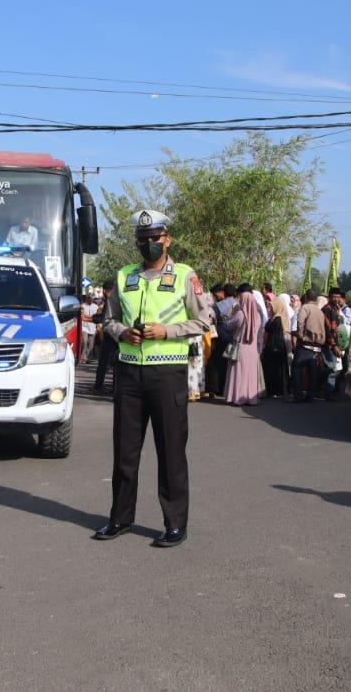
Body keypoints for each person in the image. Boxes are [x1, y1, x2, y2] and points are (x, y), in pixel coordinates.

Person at [95, 210, 212, 548]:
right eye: (143, 239)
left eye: (155, 238)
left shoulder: (185, 275)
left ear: (167, 240)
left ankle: (175, 524)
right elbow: (108, 320)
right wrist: (122, 332)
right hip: (129, 373)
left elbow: (204, 320)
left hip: (167, 373)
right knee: (124, 451)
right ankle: (120, 518)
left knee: (171, 451)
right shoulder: (124, 276)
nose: (149, 244)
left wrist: (167, 331)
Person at [224, 289, 264, 407]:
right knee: (250, 374)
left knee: (238, 373)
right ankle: (251, 398)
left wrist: (232, 314)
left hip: (240, 347)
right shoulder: (258, 316)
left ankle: (237, 398)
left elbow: (229, 326)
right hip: (253, 349)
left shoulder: (240, 314)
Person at [293, 289, 327, 402]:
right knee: (313, 373)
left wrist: (300, 335)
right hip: (318, 346)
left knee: (296, 369)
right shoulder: (320, 311)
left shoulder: (305, 308)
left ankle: (298, 395)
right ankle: (310, 396)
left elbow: (300, 322)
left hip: (305, 345)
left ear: (306, 297)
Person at [262, 295, 291, 398]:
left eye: (272, 306)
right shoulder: (282, 317)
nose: (271, 308)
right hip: (280, 348)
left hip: (273, 348)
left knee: (273, 370)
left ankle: (273, 390)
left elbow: (270, 333)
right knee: (280, 370)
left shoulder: (276, 319)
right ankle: (280, 390)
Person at [92, 280, 118, 396]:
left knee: (103, 363)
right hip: (118, 336)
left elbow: (104, 318)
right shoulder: (117, 300)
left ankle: (99, 387)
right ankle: (114, 388)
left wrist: (95, 318)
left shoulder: (110, 300)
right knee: (116, 364)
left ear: (106, 290)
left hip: (110, 336)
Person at [78, 294, 98, 364]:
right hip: (84, 327)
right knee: (84, 341)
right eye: (89, 298)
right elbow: (82, 316)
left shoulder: (96, 307)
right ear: (87, 299)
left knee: (91, 344)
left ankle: (88, 358)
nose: (90, 300)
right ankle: (82, 357)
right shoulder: (83, 306)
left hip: (93, 327)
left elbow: (97, 317)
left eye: (92, 299)